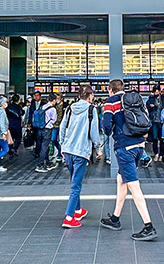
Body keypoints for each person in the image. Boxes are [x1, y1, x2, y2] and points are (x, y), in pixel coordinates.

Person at [100, 80, 158, 241]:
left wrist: (109, 128)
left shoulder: (111, 102)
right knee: (121, 181)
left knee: (134, 187)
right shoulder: (133, 99)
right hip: (139, 147)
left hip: (125, 149)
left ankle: (149, 226)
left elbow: (105, 126)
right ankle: (115, 219)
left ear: (110, 90)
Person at [59, 84, 103, 228]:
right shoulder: (92, 110)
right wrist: (98, 148)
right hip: (80, 151)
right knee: (76, 186)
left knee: (74, 180)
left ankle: (77, 210)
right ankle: (69, 217)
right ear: (90, 96)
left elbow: (62, 127)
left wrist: (62, 144)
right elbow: (94, 132)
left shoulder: (69, 108)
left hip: (68, 150)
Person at [35, 93, 62, 173]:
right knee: (45, 147)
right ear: (53, 100)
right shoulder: (52, 109)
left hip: (40, 129)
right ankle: (40, 165)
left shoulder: (43, 107)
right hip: (47, 129)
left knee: (43, 146)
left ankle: (47, 162)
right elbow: (54, 119)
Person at [145, 87, 164, 161]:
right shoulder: (151, 99)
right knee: (155, 138)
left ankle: (161, 155)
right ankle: (156, 154)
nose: (156, 93)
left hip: (162, 121)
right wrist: (150, 107)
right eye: (154, 92)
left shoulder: (163, 99)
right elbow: (147, 108)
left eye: (157, 92)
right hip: (154, 121)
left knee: (162, 139)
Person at [27, 91, 44, 158]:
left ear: (40, 96)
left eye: (37, 95)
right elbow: (30, 114)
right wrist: (29, 123)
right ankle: (36, 149)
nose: (36, 97)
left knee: (39, 138)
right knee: (35, 137)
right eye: (35, 96)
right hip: (34, 124)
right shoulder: (32, 104)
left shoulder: (43, 104)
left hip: (40, 124)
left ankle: (37, 151)